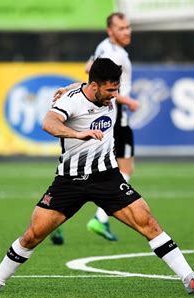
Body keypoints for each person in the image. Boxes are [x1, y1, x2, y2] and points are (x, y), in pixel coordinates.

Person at [0, 58, 194, 294]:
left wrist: (73, 86)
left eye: (117, 89)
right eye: (110, 89)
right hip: (69, 181)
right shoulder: (70, 102)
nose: (114, 95)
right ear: (95, 86)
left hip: (107, 177)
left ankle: (189, 278)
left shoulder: (97, 92)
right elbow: (48, 123)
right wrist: (77, 133)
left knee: (149, 223)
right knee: (33, 235)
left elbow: (82, 86)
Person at [50, 12, 139, 244]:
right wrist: (130, 101)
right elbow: (105, 88)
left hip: (108, 115)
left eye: (128, 27)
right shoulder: (115, 54)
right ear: (110, 31)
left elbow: (89, 69)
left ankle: (55, 219)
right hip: (114, 116)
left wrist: (72, 87)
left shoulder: (103, 47)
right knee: (123, 167)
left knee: (87, 173)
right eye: (121, 28)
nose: (126, 32)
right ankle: (101, 218)